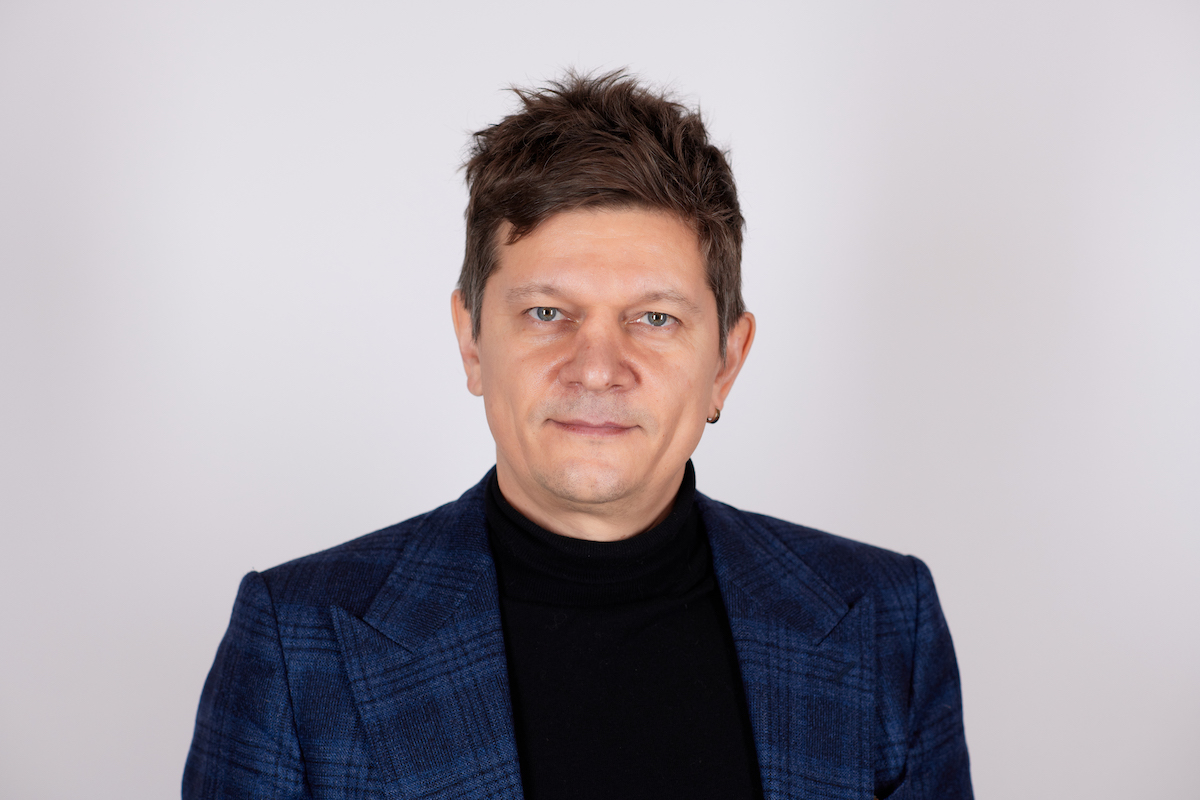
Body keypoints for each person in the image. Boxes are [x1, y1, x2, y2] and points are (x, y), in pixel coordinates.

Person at [183, 71, 972, 800]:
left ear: (726, 363)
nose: (597, 369)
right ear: (472, 341)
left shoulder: (882, 623)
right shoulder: (296, 642)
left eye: (655, 318)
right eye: (547, 313)